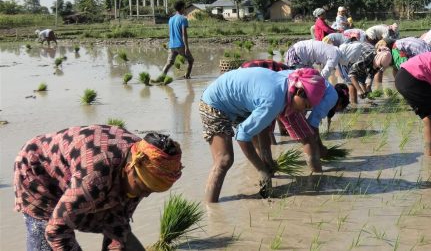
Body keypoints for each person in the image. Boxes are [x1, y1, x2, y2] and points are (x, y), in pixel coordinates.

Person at [13, 125, 183, 251]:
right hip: (36, 171)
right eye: (143, 187)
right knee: (45, 234)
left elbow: (117, 227)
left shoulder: (144, 161)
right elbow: (56, 230)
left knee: (119, 232)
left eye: (151, 190)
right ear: (130, 167)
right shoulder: (95, 177)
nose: (144, 195)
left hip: (83, 176)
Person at [199, 67, 326, 202]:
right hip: (214, 103)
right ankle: (211, 208)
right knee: (224, 160)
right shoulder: (274, 101)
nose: (303, 111)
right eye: (305, 106)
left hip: (240, 106)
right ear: (299, 91)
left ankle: (265, 182)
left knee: (261, 136)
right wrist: (261, 169)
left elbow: (263, 128)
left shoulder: (286, 84)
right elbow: (242, 137)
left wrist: (267, 159)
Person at [162, 0, 194, 79]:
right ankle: (187, 75)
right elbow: (184, 34)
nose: (185, 9)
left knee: (169, 63)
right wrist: (186, 47)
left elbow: (170, 33)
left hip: (172, 45)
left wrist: (169, 43)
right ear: (182, 8)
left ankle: (161, 77)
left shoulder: (171, 19)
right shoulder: (183, 19)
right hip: (180, 45)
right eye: (184, 7)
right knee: (191, 60)